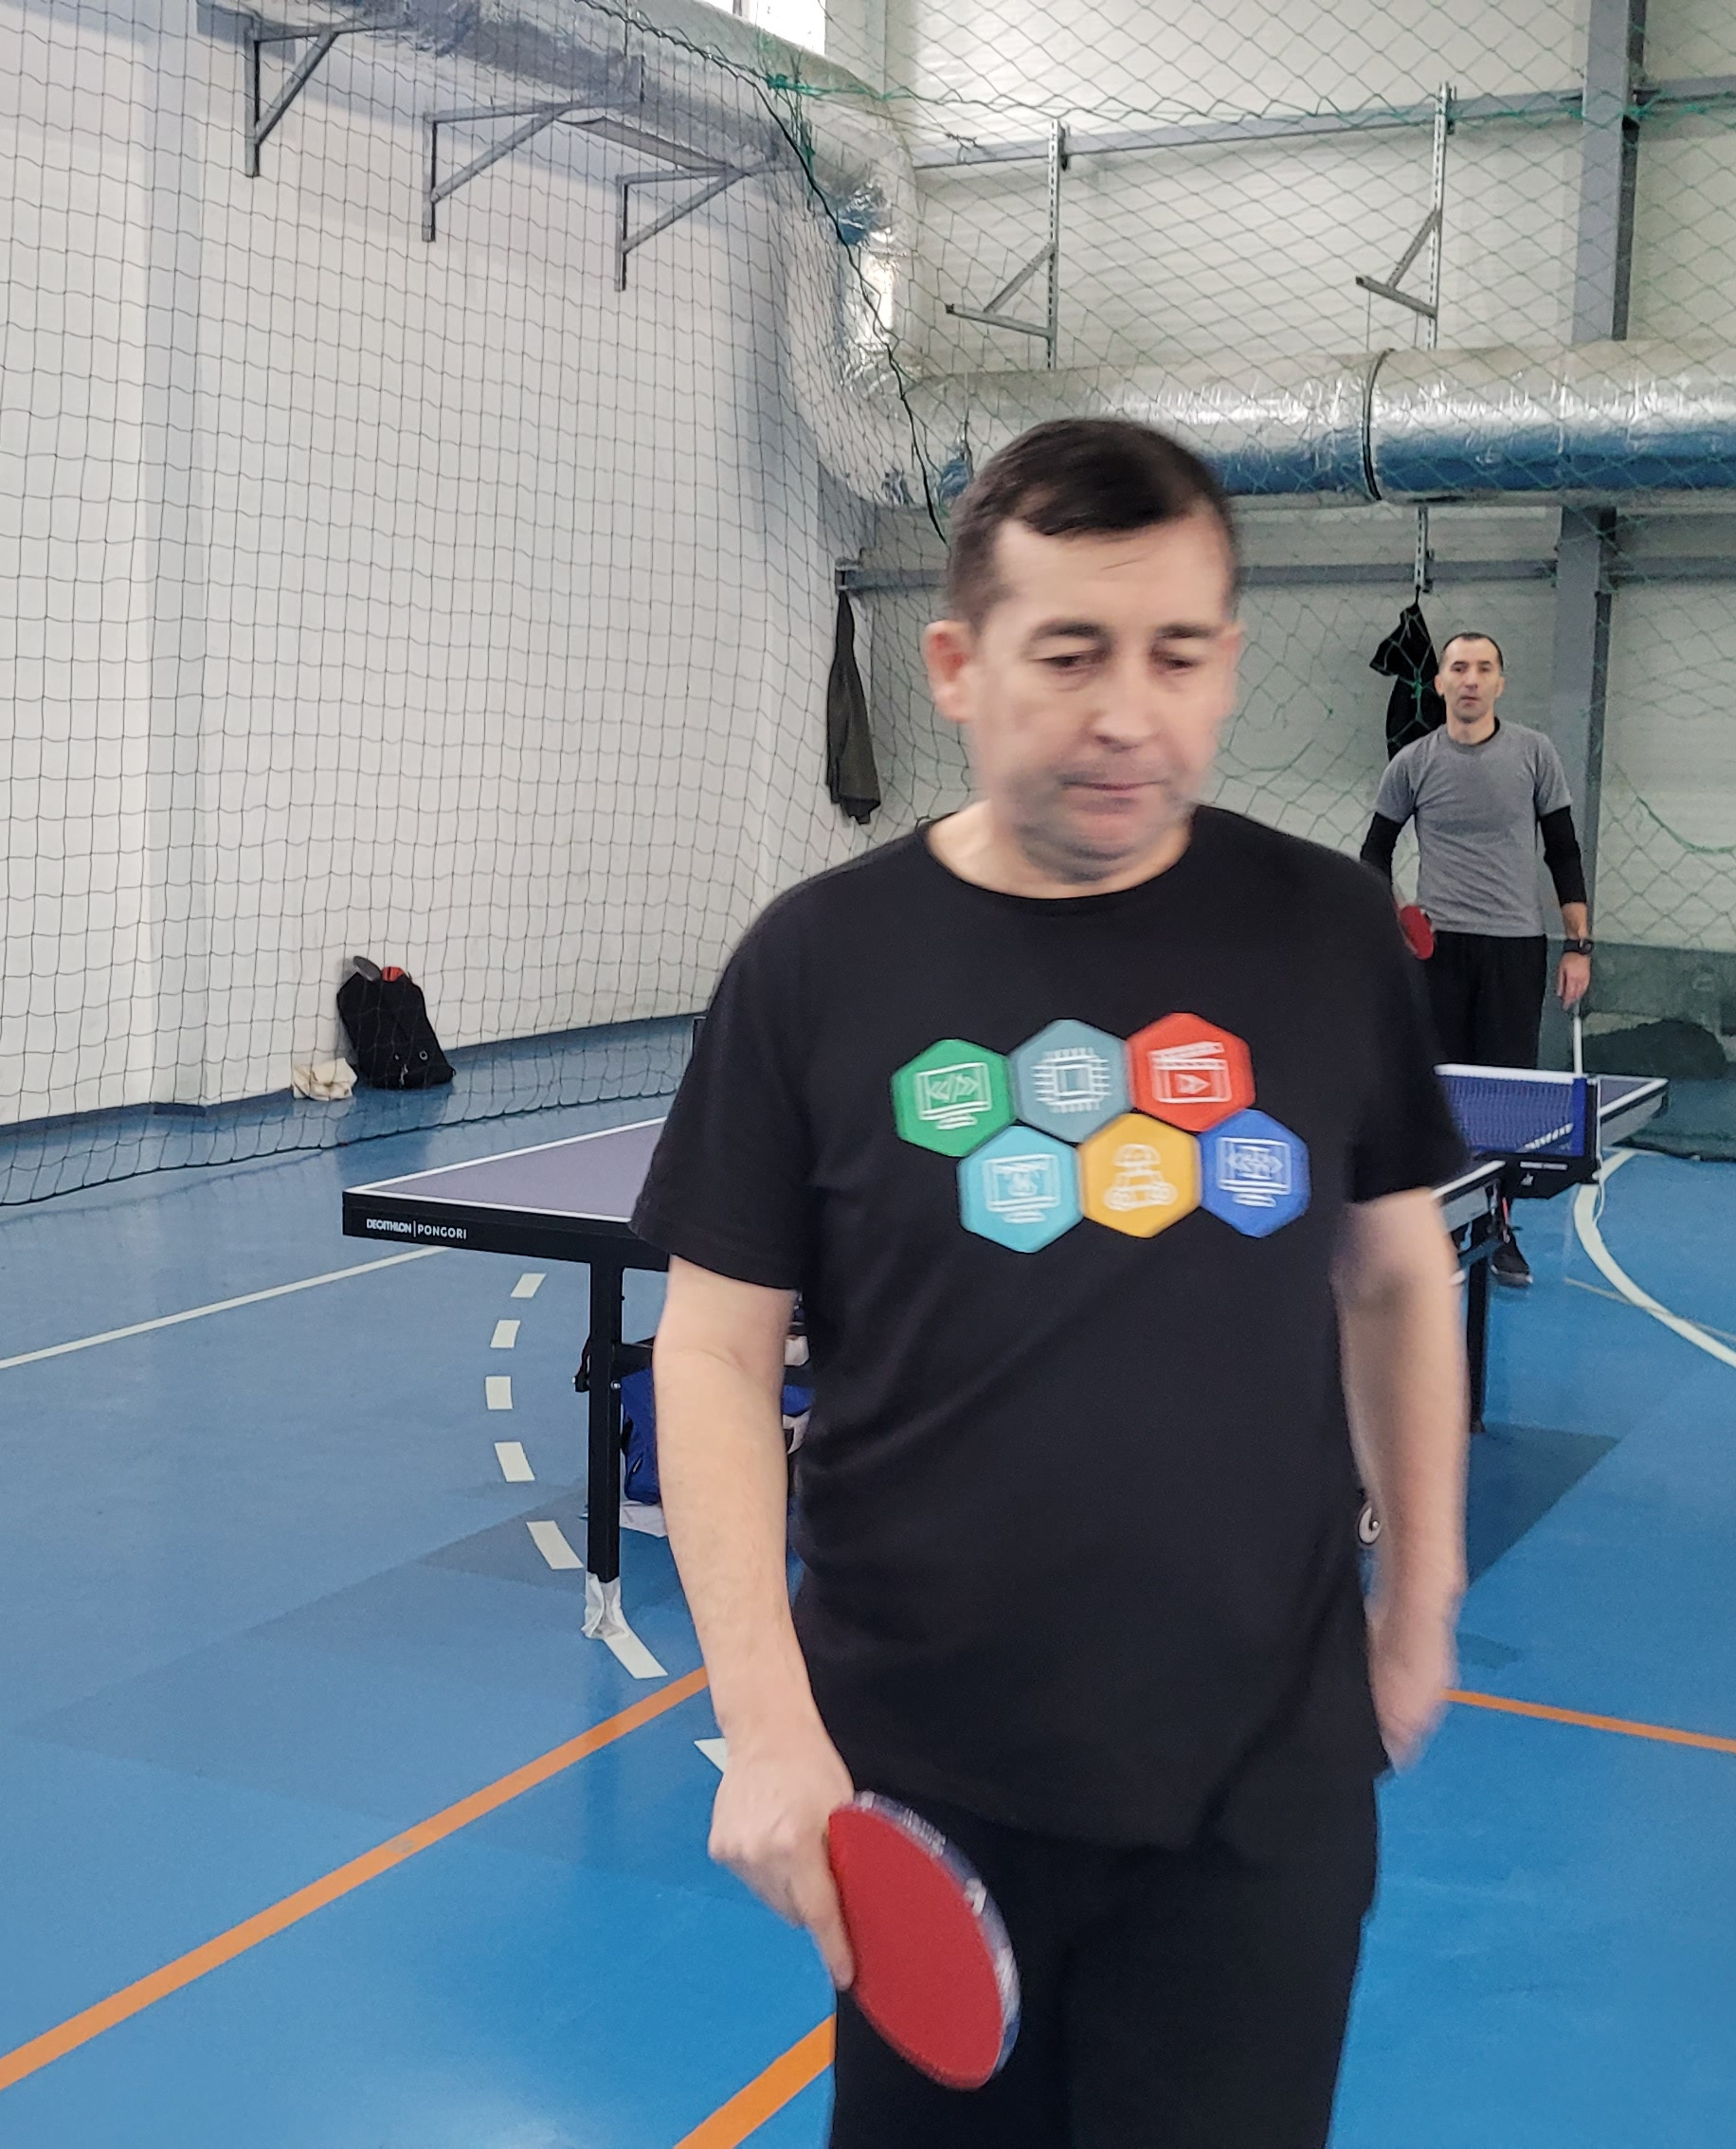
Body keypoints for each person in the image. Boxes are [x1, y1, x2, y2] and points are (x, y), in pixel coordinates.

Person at [635, 418, 1473, 2149]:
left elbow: (1396, 1279)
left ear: (1228, 662)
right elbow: (712, 1352)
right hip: (926, 1789)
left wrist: (1421, 1600)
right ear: (957, 665)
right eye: (1070, 652)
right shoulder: (814, 964)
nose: (1126, 714)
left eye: (1176, 654)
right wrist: (767, 1723)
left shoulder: (1324, 933)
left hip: (1260, 1782)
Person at [1357, 630, 1592, 1286]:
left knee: (1505, 1097)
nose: (1470, 678)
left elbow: (1564, 851)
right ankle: (1437, 1226)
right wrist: (1398, 919)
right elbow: (1374, 855)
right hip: (1439, 950)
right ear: (1439, 683)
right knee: (1439, 1094)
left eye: (1484, 668)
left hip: (1515, 948)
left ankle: (1498, 1226)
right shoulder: (1412, 763)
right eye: (1458, 667)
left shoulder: (1535, 754)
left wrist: (1577, 945)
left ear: (1499, 683)